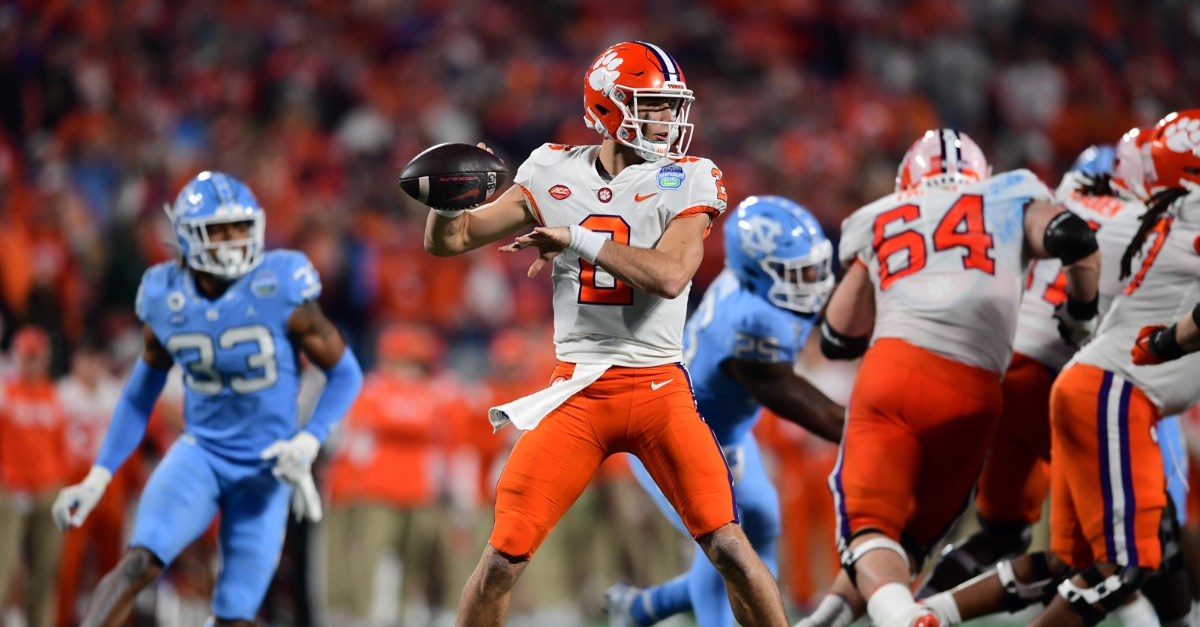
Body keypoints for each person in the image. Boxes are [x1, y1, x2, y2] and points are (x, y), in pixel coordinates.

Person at [424, 41, 789, 627]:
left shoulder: (689, 178)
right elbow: (455, 239)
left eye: (672, 106)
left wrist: (574, 237)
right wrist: (445, 202)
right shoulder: (552, 169)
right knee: (500, 561)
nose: (670, 120)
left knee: (728, 546)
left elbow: (671, 275)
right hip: (578, 392)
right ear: (611, 108)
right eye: (655, 106)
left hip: (658, 391)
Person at [799, 129, 1102, 627]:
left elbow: (836, 335)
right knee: (910, 544)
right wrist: (1081, 314)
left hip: (893, 374)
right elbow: (1075, 239)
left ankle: (905, 620)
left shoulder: (883, 213)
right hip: (975, 391)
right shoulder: (1010, 194)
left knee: (869, 532)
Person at [919, 110, 1200, 627]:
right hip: (1076, 380)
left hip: (1004, 369)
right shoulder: (1146, 222)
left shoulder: (1069, 206)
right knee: (1140, 538)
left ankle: (916, 612)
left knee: (1026, 542)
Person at [50, 171, 363, 627]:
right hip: (201, 454)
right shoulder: (166, 295)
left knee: (235, 613)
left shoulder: (280, 286)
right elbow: (140, 393)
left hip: (267, 467)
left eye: (240, 227)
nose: (234, 240)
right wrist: (99, 476)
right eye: (219, 230)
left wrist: (310, 440)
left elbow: (346, 372)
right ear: (187, 236)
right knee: (139, 561)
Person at [603, 195, 845, 627]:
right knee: (727, 545)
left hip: (719, 430)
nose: (815, 281)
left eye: (814, 266)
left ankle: (642, 609)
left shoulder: (756, 289)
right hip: (668, 433)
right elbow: (808, 406)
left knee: (762, 523)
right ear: (759, 274)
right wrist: (876, 432)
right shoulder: (750, 323)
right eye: (799, 273)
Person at [324, 322, 460, 624]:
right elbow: (374, 428)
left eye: (415, 362)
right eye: (404, 361)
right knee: (370, 555)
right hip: (379, 489)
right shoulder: (373, 388)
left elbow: (438, 431)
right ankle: (364, 614)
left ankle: (407, 611)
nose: (409, 369)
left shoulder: (433, 392)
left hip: (421, 489)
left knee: (416, 558)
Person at [55, 340, 127, 627]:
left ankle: (115, 621)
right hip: (72, 482)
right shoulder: (62, 394)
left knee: (114, 564)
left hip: (109, 485)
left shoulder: (115, 393)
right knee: (67, 566)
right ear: (75, 361)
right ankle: (61, 620)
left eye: (96, 359)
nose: (92, 366)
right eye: (86, 358)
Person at [0, 326, 68, 627]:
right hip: (10, 490)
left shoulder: (54, 394)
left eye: (37, 357)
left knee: (46, 572)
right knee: (3, 569)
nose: (32, 363)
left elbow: (61, 445)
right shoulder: (5, 393)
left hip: (47, 489)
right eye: (27, 357)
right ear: (16, 357)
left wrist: (61, 485)